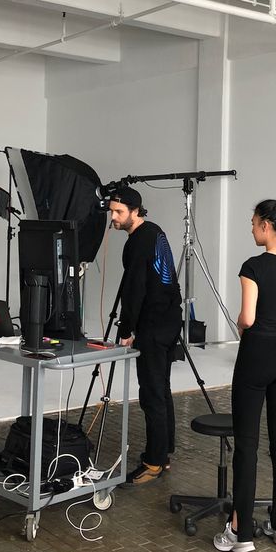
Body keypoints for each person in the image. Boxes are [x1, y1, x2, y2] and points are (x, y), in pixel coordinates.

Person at [214, 199, 276, 552]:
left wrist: (246, 326)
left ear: (267, 226)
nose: (251, 227)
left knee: (247, 444)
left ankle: (240, 533)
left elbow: (248, 318)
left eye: (253, 221)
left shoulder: (253, 266)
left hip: (256, 354)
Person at [110, 187, 182, 486]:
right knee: (160, 388)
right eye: (111, 211)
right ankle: (164, 452)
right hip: (169, 319)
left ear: (135, 210)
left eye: (118, 212)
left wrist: (126, 330)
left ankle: (153, 461)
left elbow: (134, 290)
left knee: (151, 393)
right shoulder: (154, 231)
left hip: (153, 326)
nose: (112, 217)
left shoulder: (139, 241)